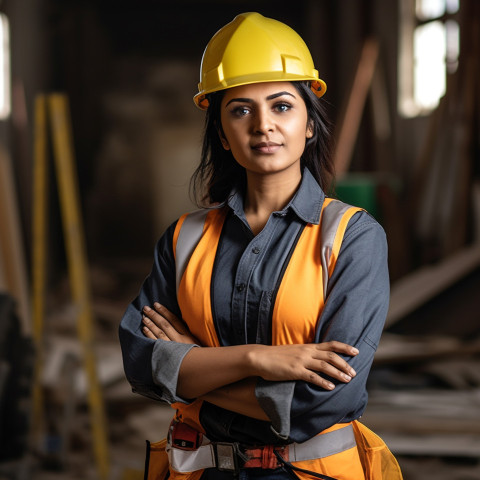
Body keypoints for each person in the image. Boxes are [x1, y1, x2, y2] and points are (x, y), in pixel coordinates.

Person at [119, 12, 402, 480]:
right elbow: (140, 363)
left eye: (282, 106)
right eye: (240, 109)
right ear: (223, 136)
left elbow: (325, 401)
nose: (263, 125)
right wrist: (259, 359)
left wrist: (191, 368)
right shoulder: (184, 239)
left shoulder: (352, 237)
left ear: (309, 124)